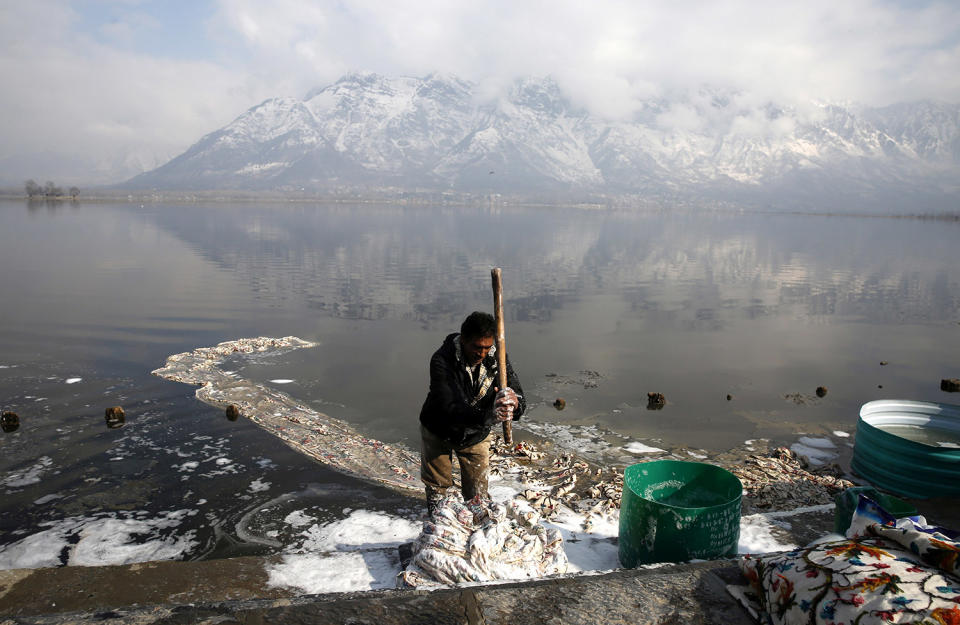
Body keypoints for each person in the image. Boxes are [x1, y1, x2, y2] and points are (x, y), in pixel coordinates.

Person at [419, 311, 525, 511]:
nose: (481, 353)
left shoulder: (498, 358)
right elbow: (452, 407)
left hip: (476, 433)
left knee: (477, 495)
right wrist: (490, 416)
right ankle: (438, 521)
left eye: (486, 348)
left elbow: (519, 396)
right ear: (464, 340)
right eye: (477, 347)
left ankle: (475, 523)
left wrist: (513, 404)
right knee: (437, 490)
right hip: (439, 428)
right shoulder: (442, 360)